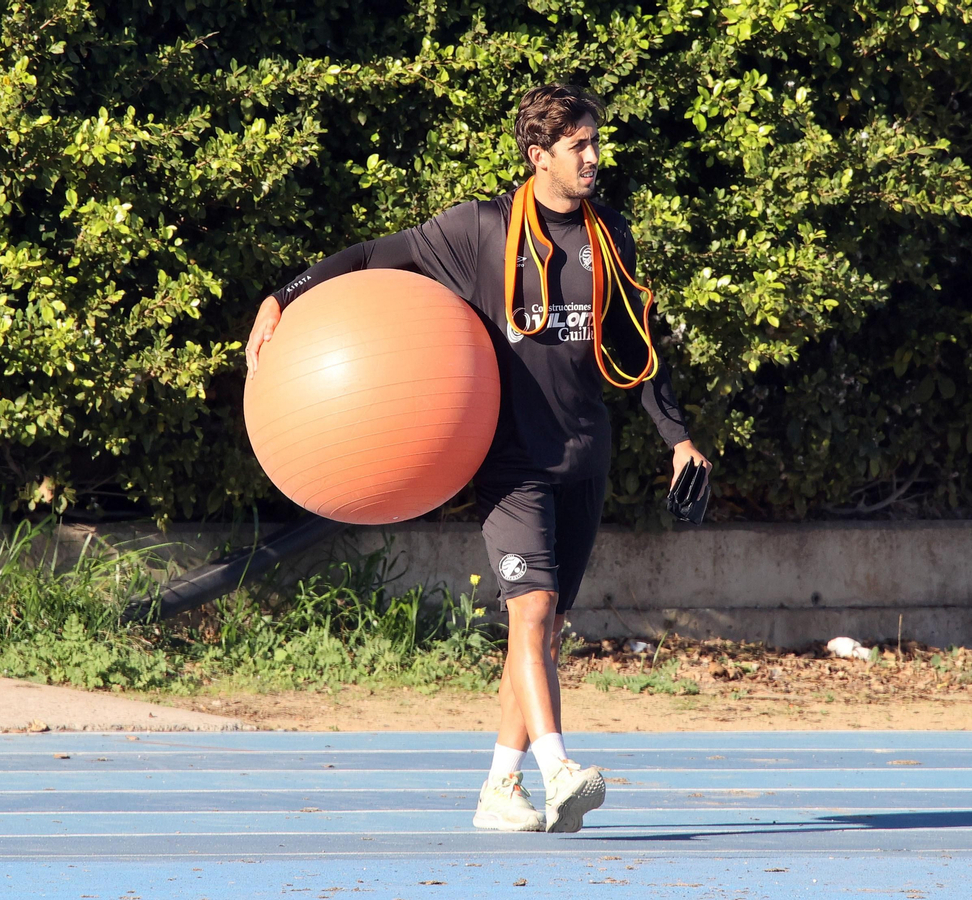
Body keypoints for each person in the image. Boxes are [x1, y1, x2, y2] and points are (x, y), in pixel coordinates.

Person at [245, 84, 710, 833]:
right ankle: (558, 770)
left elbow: (636, 351)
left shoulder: (608, 234)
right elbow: (372, 254)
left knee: (547, 627)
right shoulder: (480, 229)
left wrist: (677, 439)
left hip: (584, 456)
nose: (594, 158)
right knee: (530, 612)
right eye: (579, 146)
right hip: (510, 464)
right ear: (539, 156)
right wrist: (282, 295)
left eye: (596, 143)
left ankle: (499, 788)